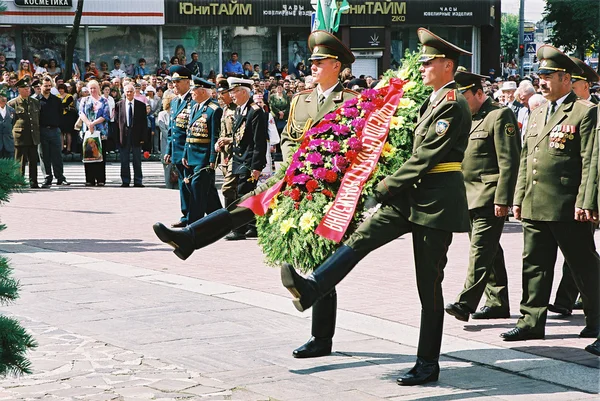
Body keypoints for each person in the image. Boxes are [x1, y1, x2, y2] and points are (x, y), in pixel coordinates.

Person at [279, 28, 472, 385]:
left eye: (429, 62)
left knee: (428, 287)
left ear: (447, 66)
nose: (424, 67)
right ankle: (313, 287)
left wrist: (383, 187)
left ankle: (427, 363)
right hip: (409, 197)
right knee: (360, 238)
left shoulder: (452, 104)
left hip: (436, 203)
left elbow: (426, 157)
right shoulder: (431, 100)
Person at [151, 31, 357, 360]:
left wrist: (321, 171)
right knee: (245, 204)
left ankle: (321, 338)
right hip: (293, 176)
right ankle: (190, 237)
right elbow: (290, 137)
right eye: (313, 61)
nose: (313, 66)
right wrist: (296, 162)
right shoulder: (302, 99)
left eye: (319, 62)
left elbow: (352, 146)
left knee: (322, 256)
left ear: (336, 65)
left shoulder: (350, 102)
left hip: (326, 188)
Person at [502, 45, 599, 342]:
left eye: (548, 75)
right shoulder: (538, 112)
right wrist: (518, 198)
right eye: (539, 75)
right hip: (534, 203)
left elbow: (592, 159)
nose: (541, 81)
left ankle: (597, 321)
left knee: (583, 265)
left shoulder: (585, 111)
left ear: (565, 78)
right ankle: (531, 321)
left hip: (567, 205)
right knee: (534, 265)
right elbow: (526, 157)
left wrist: (587, 201)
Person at [444, 70, 520, 322]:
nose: (459, 101)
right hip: (468, 196)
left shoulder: (499, 115)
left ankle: (465, 303)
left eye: (463, 95)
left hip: (489, 195)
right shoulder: (468, 118)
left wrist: (504, 199)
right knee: (490, 251)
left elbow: (509, 161)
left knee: (480, 250)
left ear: (479, 93)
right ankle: (497, 302)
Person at [547, 57, 600, 317]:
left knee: (582, 255)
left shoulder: (591, 111)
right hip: (576, 193)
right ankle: (567, 298)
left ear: (584, 85)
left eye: (575, 82)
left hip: (590, 191)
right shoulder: (562, 111)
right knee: (577, 251)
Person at [221, 76, 267, 239]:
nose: (231, 95)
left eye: (234, 92)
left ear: (243, 92)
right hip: (239, 159)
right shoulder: (240, 109)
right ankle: (252, 226)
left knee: (243, 193)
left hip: (248, 160)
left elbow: (259, 142)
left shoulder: (255, 111)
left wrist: (256, 166)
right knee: (244, 193)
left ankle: (239, 230)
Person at [181, 76, 222, 223]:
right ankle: (219, 219)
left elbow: (214, 136)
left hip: (204, 157)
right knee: (207, 190)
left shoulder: (214, 110)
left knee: (196, 187)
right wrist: (185, 153)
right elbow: (189, 132)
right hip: (192, 155)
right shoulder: (194, 106)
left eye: (194, 90)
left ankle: (194, 223)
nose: (191, 92)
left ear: (203, 91)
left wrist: (212, 159)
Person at [164, 65, 194, 226]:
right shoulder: (175, 102)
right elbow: (172, 128)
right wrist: (169, 149)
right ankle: (186, 215)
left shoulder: (193, 100)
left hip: (188, 151)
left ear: (187, 82)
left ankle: (193, 216)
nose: (174, 84)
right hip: (177, 150)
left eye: (177, 81)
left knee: (190, 184)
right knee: (182, 184)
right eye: (173, 81)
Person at [8, 76, 41, 188]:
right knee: (20, 162)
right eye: (25, 89)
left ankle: (33, 182)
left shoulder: (35, 102)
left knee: (33, 161)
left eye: (28, 88)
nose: (28, 90)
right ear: (19, 90)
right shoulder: (13, 104)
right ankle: (18, 182)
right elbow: (10, 121)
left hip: (33, 135)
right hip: (20, 136)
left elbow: (37, 118)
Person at [37, 77, 68, 188]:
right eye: (45, 86)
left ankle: (60, 178)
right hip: (42, 130)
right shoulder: (36, 101)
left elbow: (60, 114)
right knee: (44, 156)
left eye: (50, 86)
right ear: (40, 86)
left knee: (57, 156)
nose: (48, 88)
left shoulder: (56, 100)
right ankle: (47, 178)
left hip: (55, 130)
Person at [115, 84, 147, 187]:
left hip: (136, 135)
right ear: (124, 92)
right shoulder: (119, 105)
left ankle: (138, 180)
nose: (129, 93)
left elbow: (144, 123)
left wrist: (143, 138)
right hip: (123, 135)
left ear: (134, 92)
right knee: (124, 160)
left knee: (137, 159)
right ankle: (125, 180)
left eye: (131, 91)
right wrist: (116, 138)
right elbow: (116, 123)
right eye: (127, 91)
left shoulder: (141, 105)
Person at [79, 80, 110, 186]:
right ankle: (89, 179)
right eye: (90, 88)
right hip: (87, 131)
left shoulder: (104, 101)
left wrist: (94, 123)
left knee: (100, 155)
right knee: (88, 155)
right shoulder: (84, 100)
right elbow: (81, 113)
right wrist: (88, 124)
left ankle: (101, 179)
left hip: (101, 131)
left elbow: (106, 115)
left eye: (94, 88)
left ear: (98, 88)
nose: (92, 90)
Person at [214, 80, 238, 207]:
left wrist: (228, 140)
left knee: (228, 187)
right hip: (225, 153)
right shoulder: (224, 110)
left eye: (223, 93)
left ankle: (230, 215)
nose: (220, 96)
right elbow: (223, 130)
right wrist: (219, 142)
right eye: (219, 93)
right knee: (230, 188)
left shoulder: (237, 109)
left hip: (235, 151)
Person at [158, 92, 177, 189]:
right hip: (166, 143)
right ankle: (168, 186)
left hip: (177, 144)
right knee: (167, 166)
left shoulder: (177, 112)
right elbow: (163, 130)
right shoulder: (162, 114)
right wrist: (172, 137)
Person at [57, 83, 77, 155]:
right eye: (59, 89)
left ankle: (68, 148)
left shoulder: (69, 96)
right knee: (61, 133)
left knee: (68, 132)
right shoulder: (57, 96)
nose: (60, 90)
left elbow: (65, 105)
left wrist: (60, 105)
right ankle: (61, 147)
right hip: (60, 116)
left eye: (62, 89)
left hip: (68, 117)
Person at [0, 87, 15, 159]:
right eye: (1, 96)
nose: (3, 99)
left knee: (9, 168)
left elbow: (14, 124)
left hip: (9, 144)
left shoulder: (12, 110)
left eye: (4, 96)